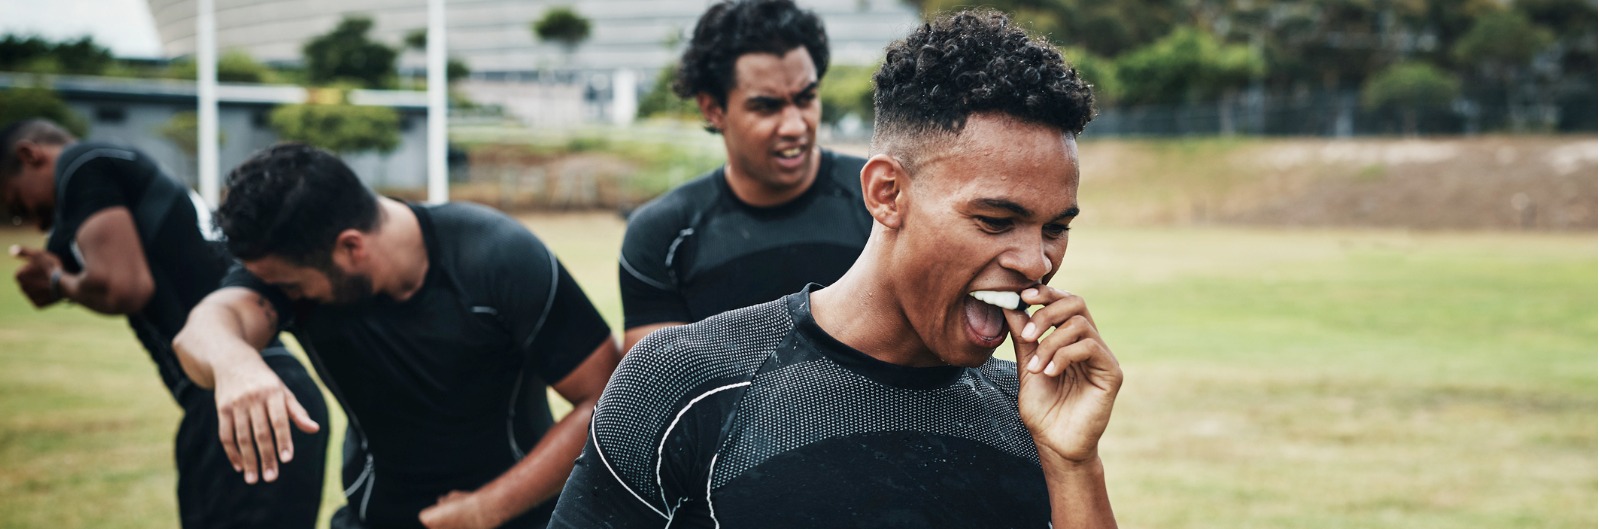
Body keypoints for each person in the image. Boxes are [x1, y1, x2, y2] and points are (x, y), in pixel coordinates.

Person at [549, 8, 1120, 528]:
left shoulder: (1029, 415)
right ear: (887, 193)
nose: (1035, 262)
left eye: (1055, 228)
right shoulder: (684, 385)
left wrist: (1075, 465)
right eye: (996, 220)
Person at [171, 143, 623, 529]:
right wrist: (236, 363)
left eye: (292, 285)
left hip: (515, 519)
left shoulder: (497, 257)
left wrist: (486, 509)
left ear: (351, 247)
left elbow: (605, 403)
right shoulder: (289, 266)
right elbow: (203, 329)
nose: (286, 294)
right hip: (374, 516)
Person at [1, 119, 328, 528]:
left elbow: (125, 286)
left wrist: (57, 283)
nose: (32, 221)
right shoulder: (120, 168)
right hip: (260, 388)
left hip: (237, 394)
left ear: (29, 156)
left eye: (15, 201)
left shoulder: (84, 164)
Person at [618, 0, 873, 352]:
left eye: (806, 98)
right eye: (767, 106)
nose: (795, 125)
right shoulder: (664, 235)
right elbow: (661, 387)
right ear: (713, 108)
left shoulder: (881, 202)